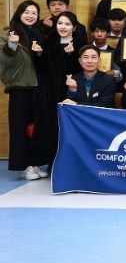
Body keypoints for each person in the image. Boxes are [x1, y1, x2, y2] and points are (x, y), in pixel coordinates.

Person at [1, 0, 46, 180]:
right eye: (26, 12)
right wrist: (12, 45)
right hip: (20, 87)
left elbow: (41, 64)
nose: (30, 16)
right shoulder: (9, 33)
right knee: (20, 128)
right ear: (19, 13)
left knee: (35, 128)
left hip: (37, 87)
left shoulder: (38, 34)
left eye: (34, 13)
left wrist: (40, 53)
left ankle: (34, 164)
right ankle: (24, 166)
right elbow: (5, 61)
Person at [39, 11, 87, 165]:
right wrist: (38, 54)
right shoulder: (49, 42)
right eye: (60, 23)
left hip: (70, 91)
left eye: (67, 24)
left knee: (69, 126)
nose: (63, 27)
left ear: (74, 27)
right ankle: (52, 163)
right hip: (49, 92)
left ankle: (70, 162)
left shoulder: (80, 44)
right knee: (51, 127)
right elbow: (42, 68)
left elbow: (83, 70)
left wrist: (71, 55)